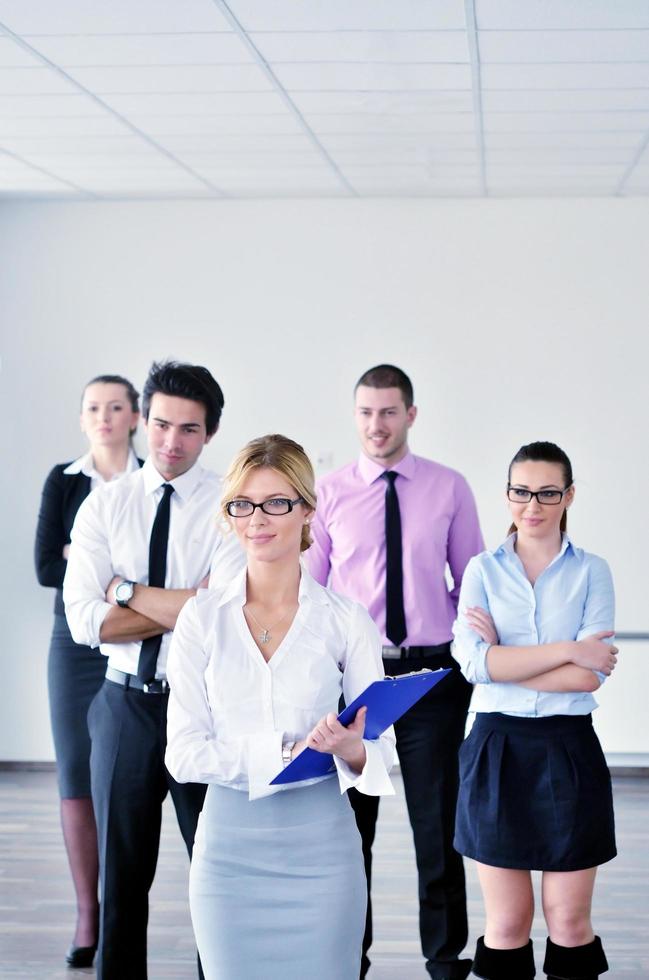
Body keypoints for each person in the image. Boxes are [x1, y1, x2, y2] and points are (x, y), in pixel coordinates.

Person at [165, 434, 395, 980]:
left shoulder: (345, 618)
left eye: (276, 502)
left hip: (324, 854)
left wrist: (351, 749)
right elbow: (182, 755)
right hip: (226, 857)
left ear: (307, 509)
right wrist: (283, 751)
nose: (257, 519)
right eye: (242, 505)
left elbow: (382, 754)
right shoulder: (201, 620)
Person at [63, 360, 245, 980]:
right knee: (122, 878)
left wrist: (124, 590)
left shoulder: (231, 511)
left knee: (212, 875)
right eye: (162, 424)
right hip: (123, 708)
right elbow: (87, 623)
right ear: (144, 419)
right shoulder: (103, 508)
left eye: (188, 430)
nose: (171, 442)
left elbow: (221, 615)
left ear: (210, 433)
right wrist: (180, 602)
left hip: (205, 709)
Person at [307, 364, 484, 980]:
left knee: (437, 829)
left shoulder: (450, 487)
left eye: (388, 412)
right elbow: (312, 595)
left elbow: (471, 587)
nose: (375, 425)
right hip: (356, 680)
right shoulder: (326, 494)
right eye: (364, 412)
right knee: (352, 832)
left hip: (431, 677)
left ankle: (445, 959)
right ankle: (348, 959)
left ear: (411, 414)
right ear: (353, 416)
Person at [452, 441, 617, 980]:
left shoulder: (592, 570)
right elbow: (475, 666)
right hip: (497, 748)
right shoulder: (480, 569)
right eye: (522, 492)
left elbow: (589, 675)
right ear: (507, 496)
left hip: (569, 747)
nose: (534, 504)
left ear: (568, 496)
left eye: (548, 492)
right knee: (506, 925)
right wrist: (569, 647)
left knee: (569, 920)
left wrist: (509, 657)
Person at [34, 373, 142, 968]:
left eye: (116, 407)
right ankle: (87, 914)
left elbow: (156, 565)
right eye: (93, 408)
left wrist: (93, 560)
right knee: (76, 772)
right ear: (83, 419)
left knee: (125, 775)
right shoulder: (65, 481)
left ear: (134, 417)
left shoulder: (152, 482)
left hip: (140, 638)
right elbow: (48, 565)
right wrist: (110, 569)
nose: (104, 416)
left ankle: (122, 904)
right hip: (73, 645)